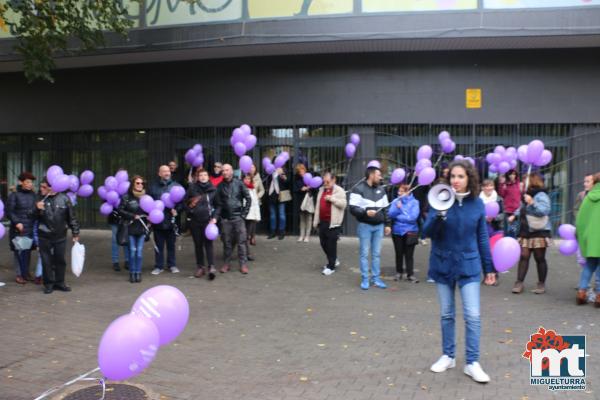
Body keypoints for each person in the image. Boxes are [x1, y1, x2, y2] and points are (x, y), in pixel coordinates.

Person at [423, 160, 495, 383]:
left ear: (469, 179)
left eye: (460, 176)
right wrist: (438, 215)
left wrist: (488, 268)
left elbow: (482, 238)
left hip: (469, 265)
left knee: (472, 316)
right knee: (447, 314)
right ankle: (448, 355)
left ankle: (472, 362)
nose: (455, 180)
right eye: (453, 176)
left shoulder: (476, 204)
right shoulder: (441, 199)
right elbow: (426, 232)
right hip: (443, 263)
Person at [349, 165, 391, 290]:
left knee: (376, 254)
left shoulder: (381, 190)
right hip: (365, 226)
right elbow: (352, 208)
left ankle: (376, 279)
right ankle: (365, 279)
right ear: (371, 175)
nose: (380, 177)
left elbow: (386, 208)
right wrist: (365, 213)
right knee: (364, 254)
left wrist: (388, 224)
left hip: (379, 226)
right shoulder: (358, 189)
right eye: (378, 175)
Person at [35, 177, 80, 294]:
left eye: (43, 186)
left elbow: (71, 217)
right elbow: (29, 216)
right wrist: (36, 209)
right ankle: (48, 284)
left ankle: (60, 282)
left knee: (60, 260)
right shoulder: (39, 198)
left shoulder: (65, 199)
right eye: (41, 186)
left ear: (52, 187)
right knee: (46, 260)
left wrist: (75, 232)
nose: (41, 189)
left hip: (60, 235)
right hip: (44, 235)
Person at [511, 173, 551, 295]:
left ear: (532, 181)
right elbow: (522, 208)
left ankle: (541, 283)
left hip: (538, 231)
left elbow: (544, 211)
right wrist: (515, 214)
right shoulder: (527, 194)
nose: (522, 184)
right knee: (524, 256)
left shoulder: (541, 195)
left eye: (525, 180)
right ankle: (519, 282)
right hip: (525, 230)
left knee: (539, 258)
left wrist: (533, 202)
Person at [214, 164, 251, 274]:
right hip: (225, 219)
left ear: (231, 171)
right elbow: (218, 204)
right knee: (227, 242)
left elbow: (248, 199)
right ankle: (226, 264)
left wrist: (243, 215)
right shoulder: (219, 186)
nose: (225, 172)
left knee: (241, 242)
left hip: (238, 218)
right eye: (223, 170)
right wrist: (218, 218)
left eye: (227, 170)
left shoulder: (239, 183)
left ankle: (243, 264)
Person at [148, 165, 183, 275]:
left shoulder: (176, 186)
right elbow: (149, 202)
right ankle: (159, 266)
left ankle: (172, 265)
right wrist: (150, 215)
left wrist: (177, 210)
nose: (167, 173)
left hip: (172, 221)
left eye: (168, 171)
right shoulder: (153, 187)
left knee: (171, 245)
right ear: (159, 173)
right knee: (158, 246)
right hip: (158, 222)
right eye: (164, 171)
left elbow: (181, 203)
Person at [186, 168, 218, 280]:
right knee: (198, 244)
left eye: (205, 175)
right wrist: (191, 211)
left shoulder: (213, 190)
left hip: (208, 221)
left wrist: (214, 218)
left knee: (208, 244)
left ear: (208, 177)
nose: (203, 177)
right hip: (195, 221)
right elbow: (185, 202)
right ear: (197, 177)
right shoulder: (192, 188)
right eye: (201, 175)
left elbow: (219, 206)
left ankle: (211, 267)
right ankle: (200, 267)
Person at [313, 172, 347, 276]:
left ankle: (331, 266)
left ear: (334, 180)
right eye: (324, 182)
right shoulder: (321, 190)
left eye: (327, 181)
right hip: (322, 222)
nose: (325, 183)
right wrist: (316, 221)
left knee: (331, 245)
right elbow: (318, 206)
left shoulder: (339, 191)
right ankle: (334, 259)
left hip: (334, 223)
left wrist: (332, 199)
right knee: (323, 243)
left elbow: (343, 204)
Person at [7, 171, 37, 285]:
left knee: (27, 251)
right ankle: (19, 274)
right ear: (21, 182)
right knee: (18, 251)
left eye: (31, 182)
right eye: (28, 182)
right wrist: (17, 222)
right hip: (18, 229)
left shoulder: (33, 195)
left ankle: (26, 272)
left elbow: (35, 210)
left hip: (30, 228)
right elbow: (9, 212)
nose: (30, 184)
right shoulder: (14, 195)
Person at [117, 175, 148, 283]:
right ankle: (132, 273)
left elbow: (150, 210)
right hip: (130, 227)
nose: (140, 185)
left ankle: (138, 273)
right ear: (133, 184)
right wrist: (132, 216)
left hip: (141, 228)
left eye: (142, 183)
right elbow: (120, 210)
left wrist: (149, 217)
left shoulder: (145, 197)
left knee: (139, 252)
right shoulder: (126, 197)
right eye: (137, 183)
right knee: (132, 251)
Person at [575, 172, 600, 307]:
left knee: (589, 266)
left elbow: (580, 220)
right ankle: (598, 296)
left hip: (590, 239)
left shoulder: (588, 198)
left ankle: (581, 292)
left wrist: (582, 236)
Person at [388, 184, 420, 283]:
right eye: (399, 191)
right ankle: (399, 272)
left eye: (401, 191)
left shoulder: (415, 202)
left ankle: (410, 274)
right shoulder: (395, 201)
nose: (399, 193)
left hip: (410, 231)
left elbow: (413, 218)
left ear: (408, 192)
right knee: (398, 253)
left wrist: (400, 211)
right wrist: (398, 209)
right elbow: (390, 214)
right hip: (397, 231)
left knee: (409, 254)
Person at [266, 166, 291, 240]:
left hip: (281, 196)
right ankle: (272, 232)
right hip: (272, 196)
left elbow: (287, 182)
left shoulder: (283, 171)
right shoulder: (270, 172)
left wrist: (282, 175)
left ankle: (281, 232)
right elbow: (266, 181)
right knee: (272, 215)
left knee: (281, 215)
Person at [294, 163, 315, 243]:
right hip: (301, 201)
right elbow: (295, 189)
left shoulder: (310, 177)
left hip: (309, 200)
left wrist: (310, 188)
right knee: (302, 218)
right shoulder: (297, 179)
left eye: (302, 170)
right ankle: (301, 236)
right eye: (299, 171)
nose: (301, 172)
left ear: (305, 169)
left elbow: (315, 188)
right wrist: (301, 189)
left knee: (309, 218)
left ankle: (307, 236)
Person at [498, 169, 521, 237]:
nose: (512, 176)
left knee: (516, 231)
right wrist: (501, 184)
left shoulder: (519, 184)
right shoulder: (505, 185)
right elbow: (502, 194)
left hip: (517, 211)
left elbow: (522, 196)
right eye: (510, 174)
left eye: (514, 174)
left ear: (516, 175)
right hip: (508, 210)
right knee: (508, 231)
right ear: (508, 175)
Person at [243, 173, 260, 261]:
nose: (247, 180)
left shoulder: (252, 189)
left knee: (247, 236)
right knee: (245, 236)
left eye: (249, 179)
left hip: (252, 215)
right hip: (245, 216)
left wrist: (257, 216)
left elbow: (255, 203)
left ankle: (246, 253)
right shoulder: (241, 188)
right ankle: (247, 253)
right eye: (245, 178)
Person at [107, 207, 129, 272]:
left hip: (125, 217)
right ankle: (115, 262)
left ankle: (127, 260)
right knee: (115, 240)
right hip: (114, 218)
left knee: (126, 239)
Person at [248, 164, 264, 246]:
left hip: (255, 202)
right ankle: (248, 236)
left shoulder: (258, 178)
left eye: (253, 167)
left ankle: (252, 236)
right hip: (247, 202)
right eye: (250, 167)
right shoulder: (245, 177)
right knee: (249, 220)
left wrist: (257, 197)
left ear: (255, 168)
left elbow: (262, 190)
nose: (251, 169)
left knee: (254, 221)